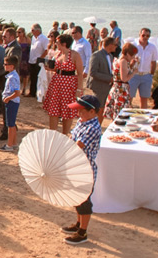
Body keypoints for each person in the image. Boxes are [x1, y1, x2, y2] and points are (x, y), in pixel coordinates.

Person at [61, 95, 102, 245]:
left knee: (84, 201)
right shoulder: (82, 122)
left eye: (82, 111)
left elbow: (77, 145)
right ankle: (78, 224)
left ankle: (83, 232)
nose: (79, 114)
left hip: (85, 171)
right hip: (77, 167)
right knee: (77, 199)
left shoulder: (92, 128)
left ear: (92, 112)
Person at [43, 34, 84, 134]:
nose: (55, 43)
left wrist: (79, 89)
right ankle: (52, 134)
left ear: (64, 43)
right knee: (53, 110)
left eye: (57, 42)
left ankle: (65, 135)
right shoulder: (57, 53)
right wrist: (49, 68)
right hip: (56, 83)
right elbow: (56, 68)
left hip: (69, 85)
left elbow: (79, 73)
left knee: (67, 111)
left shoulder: (74, 55)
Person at [104, 42, 139, 121]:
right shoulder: (123, 61)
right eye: (132, 55)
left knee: (117, 113)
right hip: (121, 89)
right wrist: (134, 72)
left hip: (117, 87)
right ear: (127, 53)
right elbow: (124, 78)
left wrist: (131, 65)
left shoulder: (117, 59)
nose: (133, 57)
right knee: (120, 114)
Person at [86, 37, 117, 123]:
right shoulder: (96, 55)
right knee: (98, 109)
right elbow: (93, 72)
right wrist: (109, 78)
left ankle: (98, 127)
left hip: (107, 86)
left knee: (102, 110)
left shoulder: (110, 56)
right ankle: (94, 127)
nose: (116, 47)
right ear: (110, 45)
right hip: (99, 86)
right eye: (115, 45)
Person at [130, 28, 158, 109]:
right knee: (129, 98)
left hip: (146, 75)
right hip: (133, 75)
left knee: (144, 99)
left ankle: (143, 118)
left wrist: (151, 75)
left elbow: (153, 61)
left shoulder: (152, 47)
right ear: (139, 35)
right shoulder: (133, 46)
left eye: (147, 35)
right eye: (143, 35)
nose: (145, 37)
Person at [0, 56, 20, 152]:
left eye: (6, 64)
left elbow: (17, 92)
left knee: (10, 124)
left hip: (11, 102)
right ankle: (14, 143)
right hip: (12, 102)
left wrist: (7, 98)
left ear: (12, 66)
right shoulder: (12, 76)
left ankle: (9, 145)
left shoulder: (12, 78)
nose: (4, 66)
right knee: (12, 123)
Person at [28, 24, 49, 98]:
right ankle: (32, 92)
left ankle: (38, 93)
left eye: (32, 30)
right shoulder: (33, 37)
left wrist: (40, 58)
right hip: (31, 60)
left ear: (37, 30)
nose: (31, 31)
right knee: (32, 77)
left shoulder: (44, 39)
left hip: (39, 61)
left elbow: (47, 50)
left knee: (38, 77)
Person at [17, 27, 31, 95]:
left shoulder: (27, 39)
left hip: (26, 59)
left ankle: (24, 88)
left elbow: (31, 49)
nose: (18, 34)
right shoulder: (17, 40)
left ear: (23, 33)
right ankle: (18, 89)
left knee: (25, 75)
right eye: (17, 32)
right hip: (19, 59)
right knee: (19, 74)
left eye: (19, 32)